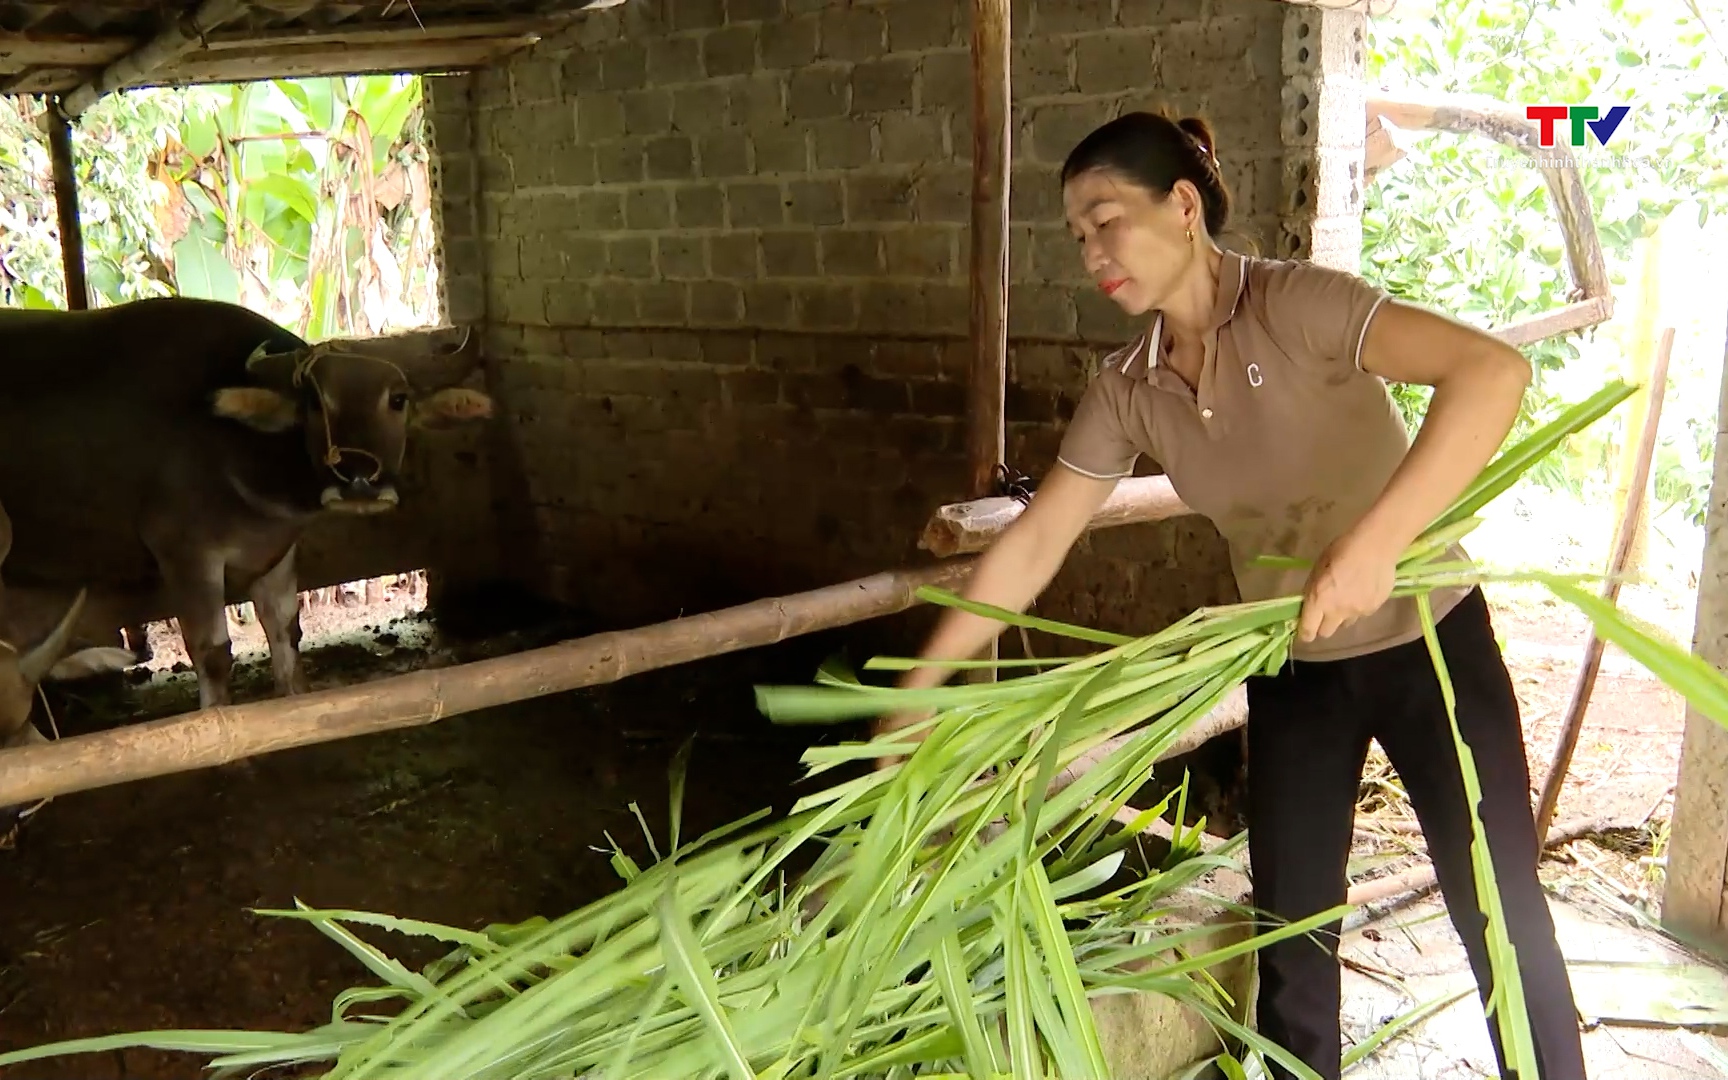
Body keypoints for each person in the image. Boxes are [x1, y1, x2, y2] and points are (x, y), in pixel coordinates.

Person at [871, 110, 1587, 1080]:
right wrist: (926, 682)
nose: (1091, 251)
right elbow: (1037, 539)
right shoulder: (1128, 386)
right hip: (1291, 663)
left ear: (1181, 206)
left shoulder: (1299, 306)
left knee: (1497, 910)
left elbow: (1491, 372)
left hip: (1430, 640)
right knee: (1291, 933)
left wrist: (1378, 543)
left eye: (1105, 219)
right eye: (1076, 235)